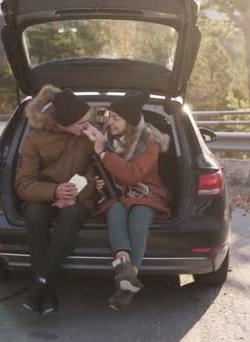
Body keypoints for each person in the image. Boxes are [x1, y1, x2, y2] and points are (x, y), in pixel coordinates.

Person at [83, 91, 171, 311]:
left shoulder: (151, 141)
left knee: (139, 217)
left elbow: (133, 174)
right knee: (115, 212)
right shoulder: (106, 138)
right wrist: (100, 182)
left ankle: (127, 283)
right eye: (110, 116)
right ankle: (125, 272)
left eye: (116, 118)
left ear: (129, 122)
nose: (110, 122)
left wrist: (103, 153)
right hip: (116, 194)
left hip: (146, 193)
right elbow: (100, 172)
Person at [15, 84, 97, 315]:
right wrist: (54, 192)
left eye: (88, 120)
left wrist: (75, 194)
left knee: (71, 214)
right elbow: (23, 184)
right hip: (45, 196)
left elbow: (95, 176)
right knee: (34, 213)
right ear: (63, 123)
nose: (88, 126)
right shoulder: (34, 140)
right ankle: (46, 292)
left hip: (80, 198)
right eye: (82, 122)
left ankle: (39, 287)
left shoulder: (88, 136)